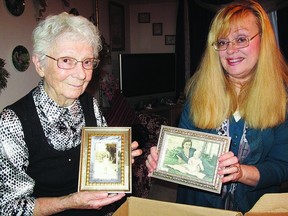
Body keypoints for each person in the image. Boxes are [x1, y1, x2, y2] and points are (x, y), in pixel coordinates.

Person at [146, 0, 288, 213]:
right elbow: (184, 146)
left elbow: (282, 166)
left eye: (241, 39)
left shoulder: (283, 98)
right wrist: (165, 160)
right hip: (198, 208)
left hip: (254, 207)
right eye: (222, 42)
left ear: (264, 40)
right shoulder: (199, 92)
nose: (230, 49)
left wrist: (242, 173)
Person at [0, 12, 142, 216]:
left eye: (87, 61)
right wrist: (68, 202)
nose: (81, 74)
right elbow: (9, 208)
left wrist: (117, 165)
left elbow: (102, 178)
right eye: (66, 60)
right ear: (39, 65)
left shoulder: (90, 105)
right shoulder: (13, 122)